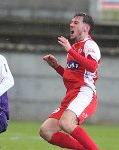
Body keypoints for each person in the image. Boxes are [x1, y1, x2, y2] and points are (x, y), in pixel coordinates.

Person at [39, 12, 101, 150]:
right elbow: (71, 76)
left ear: (86, 28)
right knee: (46, 131)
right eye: (71, 22)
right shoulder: (73, 48)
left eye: (76, 22)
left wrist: (69, 50)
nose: (71, 24)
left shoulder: (89, 45)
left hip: (84, 92)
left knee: (66, 123)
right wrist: (57, 66)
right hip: (71, 95)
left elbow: (92, 67)